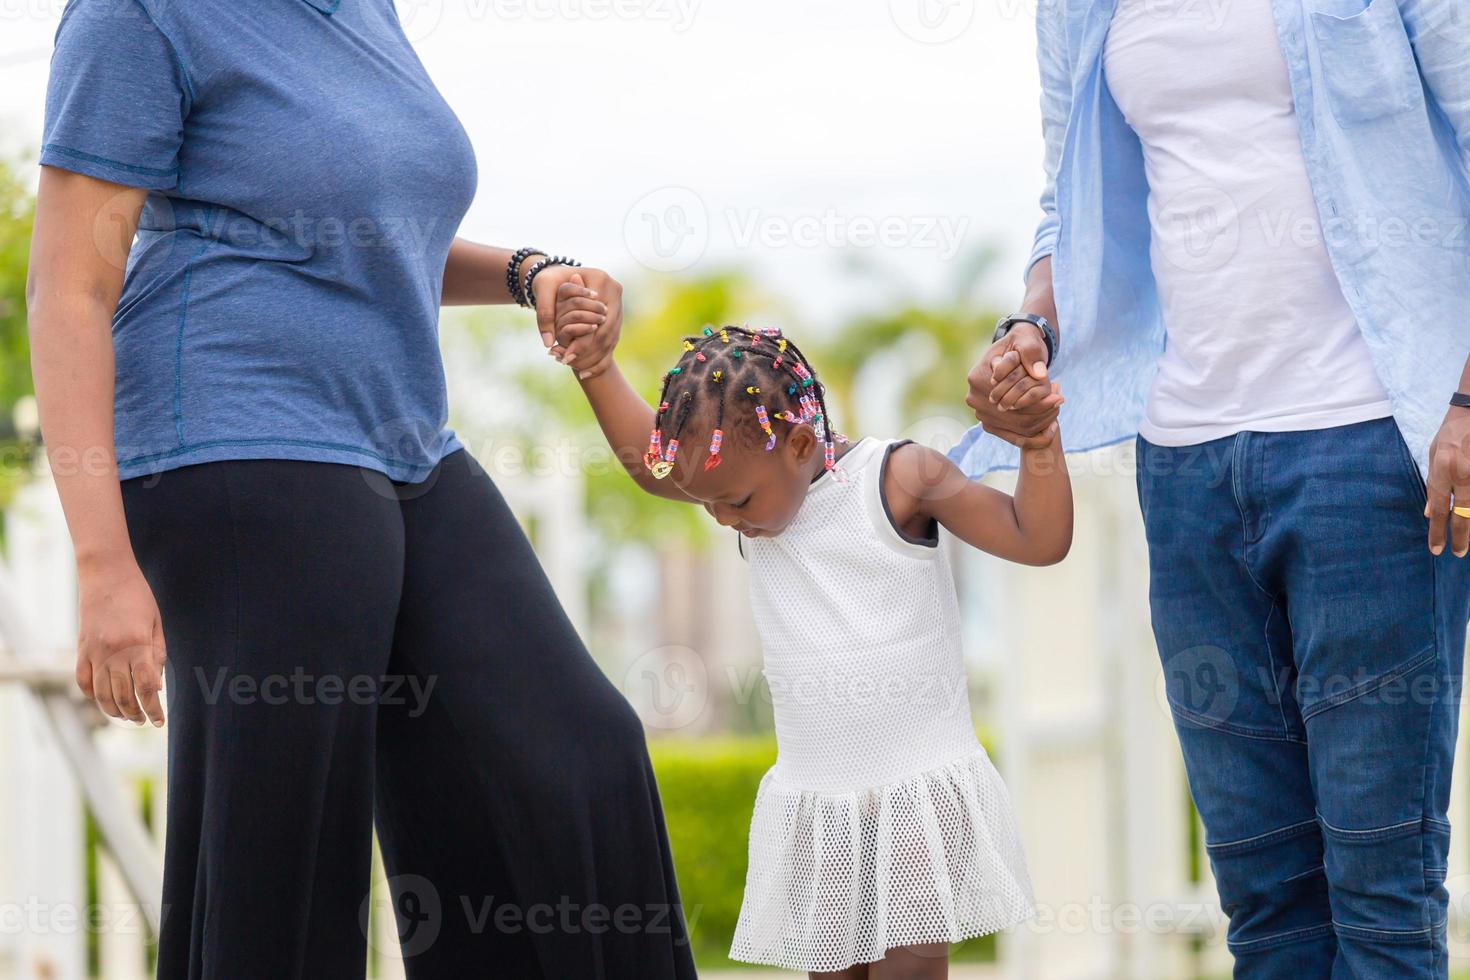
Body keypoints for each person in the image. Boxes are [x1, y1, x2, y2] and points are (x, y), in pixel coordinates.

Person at [26, 0, 696, 976]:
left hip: (405, 443)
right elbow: (69, 287)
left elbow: (370, 228)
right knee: (285, 856)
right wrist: (103, 566)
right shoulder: (140, 14)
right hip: (236, 441)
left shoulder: (360, 12)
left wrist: (527, 273)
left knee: (575, 751)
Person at [955, 0, 1470, 975]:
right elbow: (1070, 203)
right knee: (1265, 904)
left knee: (1381, 894)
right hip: (1189, 469)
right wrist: (1030, 331)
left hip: (1365, 453)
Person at [556, 293, 1071, 977]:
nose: (721, 519)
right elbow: (645, 466)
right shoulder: (752, 493)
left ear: (799, 443)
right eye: (707, 501)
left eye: (733, 502)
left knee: (908, 971)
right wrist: (594, 367)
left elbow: (1037, 539)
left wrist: (1038, 443)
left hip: (912, 791)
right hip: (821, 802)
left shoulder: (898, 479)